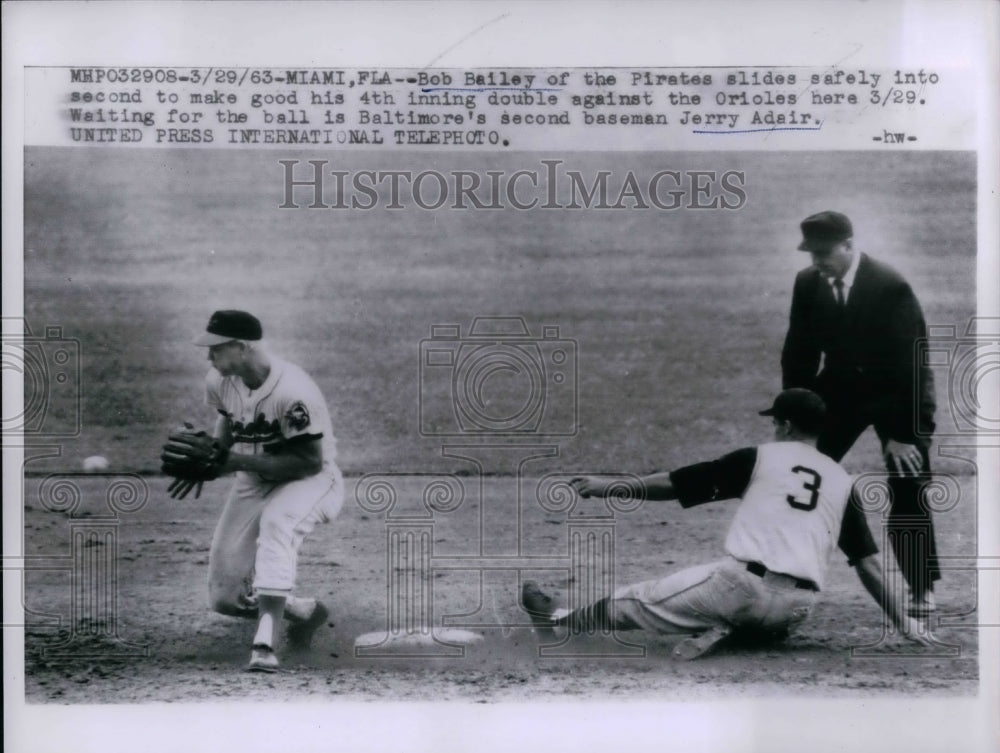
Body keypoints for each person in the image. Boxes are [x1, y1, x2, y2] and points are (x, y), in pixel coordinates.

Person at [521, 389, 933, 659]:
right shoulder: (842, 481)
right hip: (796, 611)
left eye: (776, 422)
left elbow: (674, 483)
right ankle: (734, 633)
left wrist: (609, 486)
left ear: (785, 425)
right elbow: (868, 565)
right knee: (757, 615)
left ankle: (558, 620)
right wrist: (904, 622)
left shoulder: (758, 458)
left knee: (642, 600)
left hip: (739, 590)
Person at [781, 211, 938, 616]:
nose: (817, 261)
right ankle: (787, 571)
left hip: (896, 394)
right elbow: (799, 350)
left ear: (849, 245)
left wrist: (903, 434)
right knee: (801, 467)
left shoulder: (890, 286)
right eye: (811, 253)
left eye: (824, 252)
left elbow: (913, 366)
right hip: (841, 390)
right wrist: (794, 414)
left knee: (908, 482)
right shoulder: (808, 283)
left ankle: (921, 588)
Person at [185, 310, 344, 672]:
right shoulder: (220, 379)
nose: (209, 357)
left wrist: (236, 462)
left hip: (311, 482)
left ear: (242, 348)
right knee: (225, 599)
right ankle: (303, 611)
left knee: (278, 522)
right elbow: (228, 416)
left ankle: (265, 643)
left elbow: (308, 462)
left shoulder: (294, 392)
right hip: (254, 481)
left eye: (216, 348)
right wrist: (215, 456)